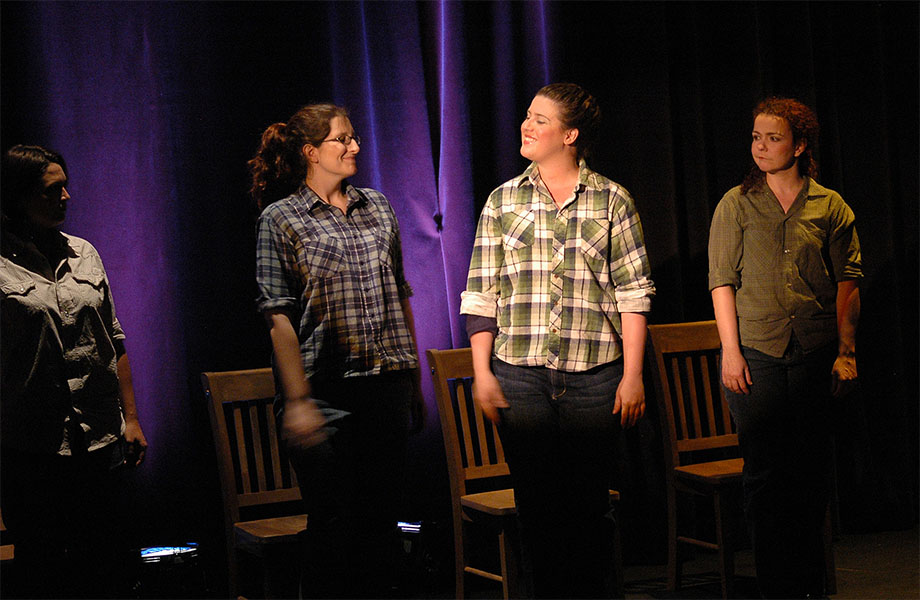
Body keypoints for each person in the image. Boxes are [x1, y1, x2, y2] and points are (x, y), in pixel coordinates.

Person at [460, 83, 655, 598]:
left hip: (594, 377)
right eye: (527, 115)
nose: (526, 126)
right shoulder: (504, 200)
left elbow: (634, 295)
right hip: (520, 376)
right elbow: (481, 293)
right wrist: (482, 373)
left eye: (540, 119)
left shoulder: (612, 199)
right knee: (538, 507)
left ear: (570, 135)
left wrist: (632, 376)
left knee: (589, 507)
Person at [249, 103, 424, 598]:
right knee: (334, 525)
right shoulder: (281, 219)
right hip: (324, 395)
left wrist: (411, 380)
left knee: (380, 525)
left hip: (384, 384)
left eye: (354, 137)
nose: (355, 147)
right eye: (342, 139)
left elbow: (400, 291)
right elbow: (278, 318)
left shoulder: (378, 205)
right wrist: (300, 400)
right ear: (310, 152)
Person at [708, 97, 861, 599]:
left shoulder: (830, 205)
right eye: (756, 137)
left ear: (799, 145)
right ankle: (776, 586)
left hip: (815, 351)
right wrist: (731, 350)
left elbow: (848, 282)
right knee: (766, 476)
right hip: (757, 353)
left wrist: (846, 350)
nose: (761, 147)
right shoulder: (736, 204)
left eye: (773, 138)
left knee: (811, 474)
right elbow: (721, 283)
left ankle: (809, 584)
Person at [0, 145, 148, 598]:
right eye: (51, 191)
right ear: (19, 196)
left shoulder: (84, 253)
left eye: (65, 187)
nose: (65, 197)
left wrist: (133, 418)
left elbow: (113, 340)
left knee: (108, 562)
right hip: (33, 445)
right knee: (43, 567)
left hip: (98, 436)